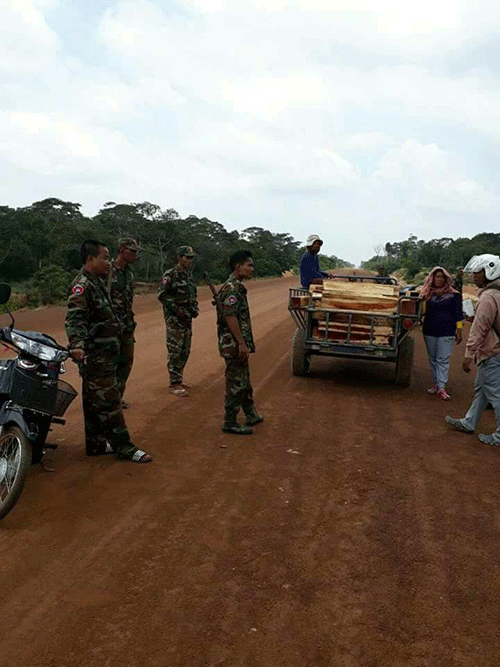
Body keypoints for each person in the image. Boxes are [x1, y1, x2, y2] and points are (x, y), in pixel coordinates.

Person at [65, 240, 152, 463]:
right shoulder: (82, 285)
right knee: (111, 403)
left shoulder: (98, 281)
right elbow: (76, 318)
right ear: (90, 259)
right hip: (96, 356)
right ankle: (124, 447)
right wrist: (77, 344)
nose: (108, 262)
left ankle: (95, 444)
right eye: (104, 258)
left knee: (93, 402)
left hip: (105, 352)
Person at [445, 254, 500, 445]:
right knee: (483, 390)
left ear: (490, 272)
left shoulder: (488, 297)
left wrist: (468, 354)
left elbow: (480, 329)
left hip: (492, 352)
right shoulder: (496, 294)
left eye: (479, 272)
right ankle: (469, 422)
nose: (474, 276)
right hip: (495, 350)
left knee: (495, 393)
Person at [217, 250, 263, 435]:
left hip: (237, 342)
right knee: (236, 382)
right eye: (249, 265)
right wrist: (241, 343)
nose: (252, 269)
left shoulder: (238, 286)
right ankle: (230, 421)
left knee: (244, 379)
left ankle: (250, 413)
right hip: (233, 343)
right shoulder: (232, 288)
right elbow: (230, 317)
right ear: (238, 267)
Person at [157, 246, 199, 397]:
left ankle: (179, 378)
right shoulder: (171, 274)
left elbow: (192, 294)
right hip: (175, 319)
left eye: (191, 258)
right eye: (187, 257)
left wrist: (194, 308)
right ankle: (174, 383)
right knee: (175, 349)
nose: (189, 260)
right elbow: (162, 294)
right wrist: (176, 309)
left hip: (187, 318)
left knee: (185, 350)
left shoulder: (188, 276)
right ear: (179, 257)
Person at [420, 267, 463, 400]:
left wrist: (459, 330)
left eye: (442, 277)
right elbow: (421, 311)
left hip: (447, 331)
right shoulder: (428, 293)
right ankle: (437, 384)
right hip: (430, 330)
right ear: (432, 278)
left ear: (446, 279)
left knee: (442, 360)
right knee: (433, 359)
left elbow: (459, 315)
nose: (439, 279)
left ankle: (442, 387)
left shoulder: (454, 295)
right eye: (437, 277)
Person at [108, 237, 139, 409]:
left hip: (127, 325)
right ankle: (109, 400)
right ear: (121, 250)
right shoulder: (107, 271)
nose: (135, 255)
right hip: (111, 326)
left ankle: (117, 397)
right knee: (111, 363)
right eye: (132, 251)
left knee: (126, 361)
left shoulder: (129, 273)